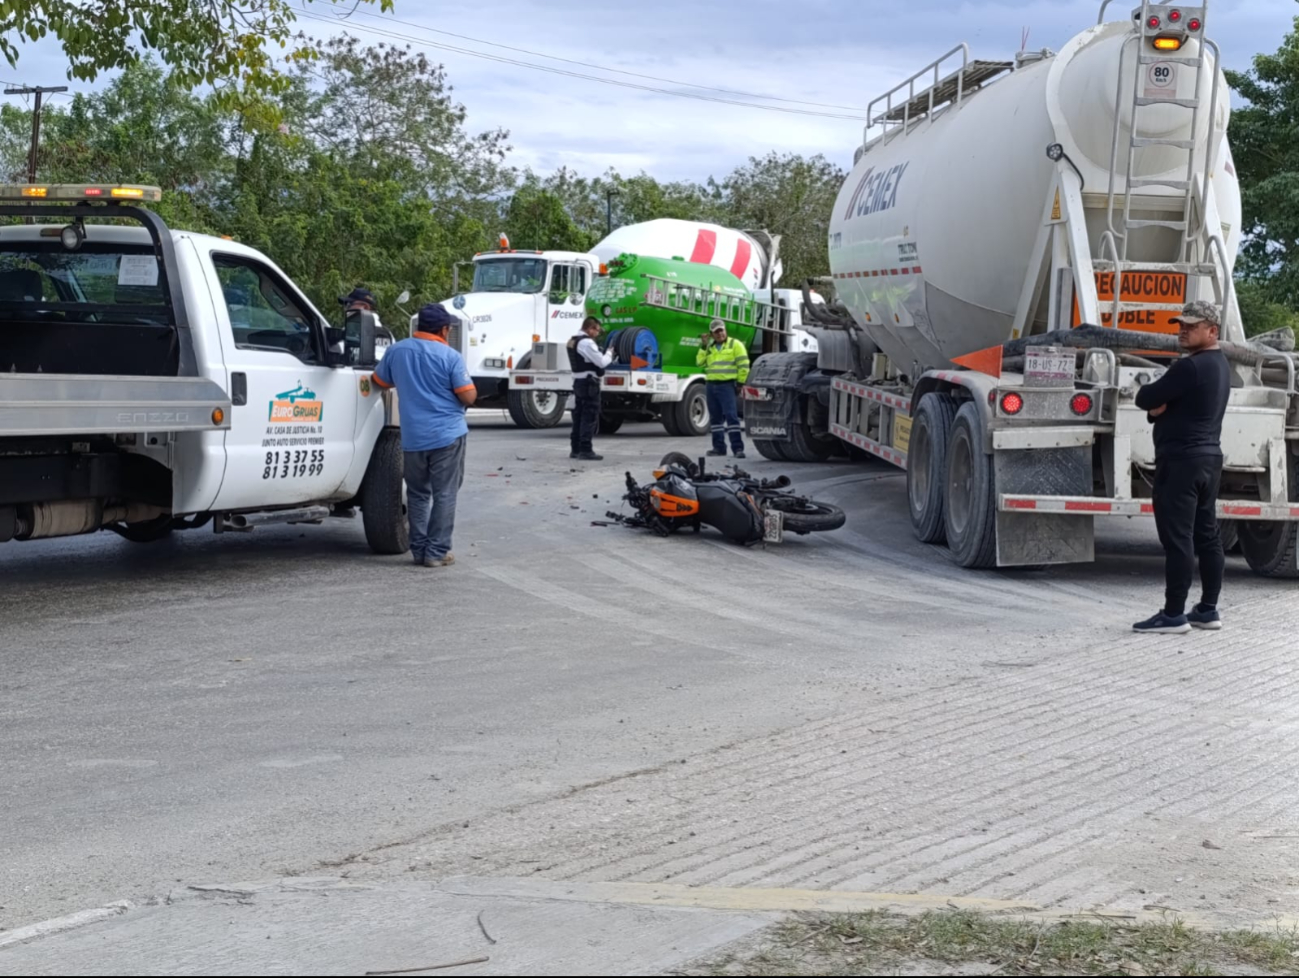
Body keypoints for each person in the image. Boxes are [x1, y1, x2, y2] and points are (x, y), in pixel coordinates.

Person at [1132, 300, 1232, 634]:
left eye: (1191, 325)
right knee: (1207, 535)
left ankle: (1173, 614)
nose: (1182, 330)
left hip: (1181, 462)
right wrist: (1159, 409)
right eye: (1180, 325)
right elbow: (1170, 406)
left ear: (1212, 330)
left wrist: (1155, 408)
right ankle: (1208, 609)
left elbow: (1145, 397)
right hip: (1209, 460)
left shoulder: (1188, 368)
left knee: (1178, 539)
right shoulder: (1220, 366)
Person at [371, 304, 477, 568]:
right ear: (444, 329)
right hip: (447, 436)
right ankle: (437, 552)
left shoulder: (396, 351)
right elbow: (468, 395)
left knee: (418, 494)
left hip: (412, 437)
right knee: (445, 494)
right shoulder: (450, 356)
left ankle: (419, 550)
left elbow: (379, 381)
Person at [696, 319, 750, 459]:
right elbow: (699, 362)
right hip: (711, 385)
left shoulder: (735, 344)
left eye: (721, 330)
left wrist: (740, 383)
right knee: (715, 419)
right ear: (712, 334)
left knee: (732, 417)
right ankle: (719, 448)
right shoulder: (709, 347)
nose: (720, 334)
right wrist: (703, 346)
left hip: (727, 385)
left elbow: (743, 364)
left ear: (725, 330)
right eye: (716, 332)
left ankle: (738, 448)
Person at [568, 316, 614, 461]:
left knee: (579, 416)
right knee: (589, 416)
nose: (598, 334)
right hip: (589, 384)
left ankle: (575, 449)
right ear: (590, 328)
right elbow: (601, 362)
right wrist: (610, 353)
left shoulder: (573, 340)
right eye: (597, 331)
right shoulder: (587, 343)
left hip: (578, 382)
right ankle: (586, 450)